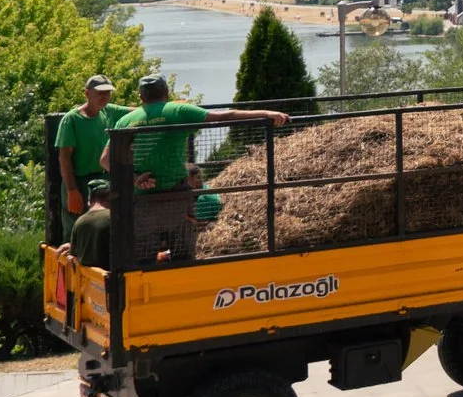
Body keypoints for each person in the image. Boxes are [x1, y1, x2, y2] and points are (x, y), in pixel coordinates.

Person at [111, 76, 289, 262]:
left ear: (141, 97)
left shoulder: (125, 121)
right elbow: (224, 116)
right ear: (166, 93)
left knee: (143, 260)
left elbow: (106, 159)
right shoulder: (177, 109)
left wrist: (135, 178)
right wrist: (266, 114)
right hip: (177, 197)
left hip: (142, 201)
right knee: (184, 255)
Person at [53, 75, 126, 219]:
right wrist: (72, 190)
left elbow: (138, 112)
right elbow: (64, 158)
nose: (104, 96)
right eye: (100, 92)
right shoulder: (72, 119)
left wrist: (166, 104)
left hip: (103, 180)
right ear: (87, 93)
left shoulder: (108, 111)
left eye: (108, 92)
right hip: (80, 182)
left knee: (104, 223)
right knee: (76, 227)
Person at [64, 179, 112, 272]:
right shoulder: (115, 218)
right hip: (116, 282)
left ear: (89, 200)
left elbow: (74, 255)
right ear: (109, 198)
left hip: (88, 283)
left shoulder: (79, 222)